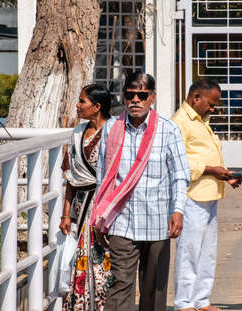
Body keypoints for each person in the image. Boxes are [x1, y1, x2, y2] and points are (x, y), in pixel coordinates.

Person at [92, 72, 190, 311]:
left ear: (152, 98)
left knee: (154, 289)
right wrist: (99, 218)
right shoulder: (111, 129)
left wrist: (178, 211)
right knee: (119, 285)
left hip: (158, 222)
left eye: (142, 95)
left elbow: (180, 175)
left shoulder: (168, 130)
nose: (135, 100)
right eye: (130, 94)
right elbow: (103, 178)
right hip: (120, 221)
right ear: (124, 97)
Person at [172, 79, 242, 311]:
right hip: (192, 197)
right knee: (189, 251)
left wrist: (225, 175)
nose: (213, 109)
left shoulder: (202, 121)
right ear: (195, 98)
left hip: (210, 194)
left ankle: (201, 300)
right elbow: (179, 163)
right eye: (211, 104)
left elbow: (207, 155)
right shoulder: (180, 122)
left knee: (207, 251)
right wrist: (212, 170)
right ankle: (183, 303)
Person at [59, 84, 114, 311]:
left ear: (97, 107)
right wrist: (65, 214)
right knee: (78, 259)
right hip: (81, 209)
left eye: (82, 101)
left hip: (106, 207)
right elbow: (72, 177)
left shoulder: (114, 131)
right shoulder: (77, 133)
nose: (77, 105)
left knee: (103, 262)